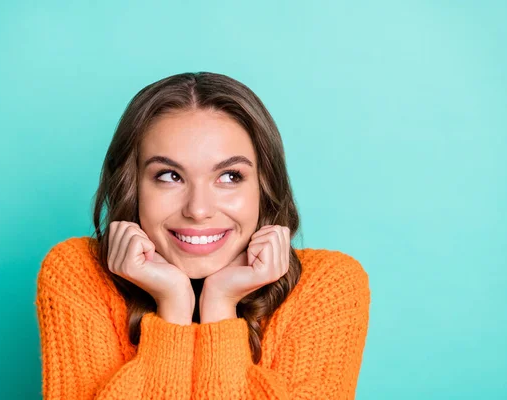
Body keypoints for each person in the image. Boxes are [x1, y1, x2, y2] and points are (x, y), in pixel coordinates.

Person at [35, 71, 371, 399]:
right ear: (132, 186)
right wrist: (174, 306)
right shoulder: (80, 274)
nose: (198, 209)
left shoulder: (326, 287)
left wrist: (220, 305)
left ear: (263, 186)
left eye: (229, 177)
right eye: (169, 176)